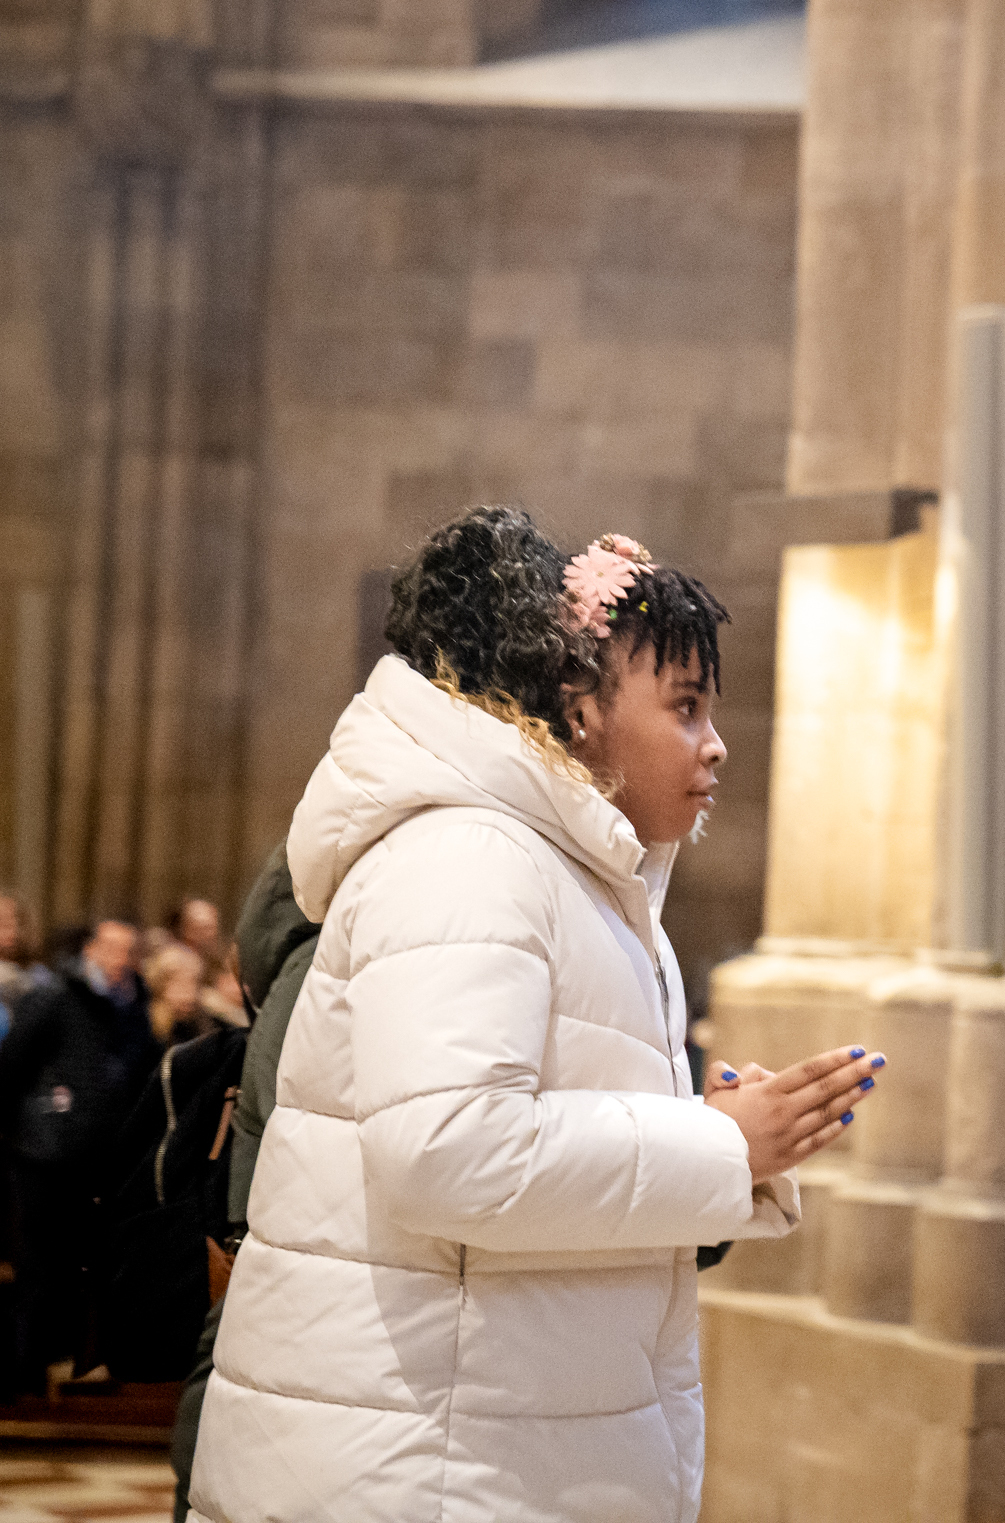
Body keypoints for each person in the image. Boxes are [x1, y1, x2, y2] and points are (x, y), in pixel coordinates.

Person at [188, 508, 882, 1523]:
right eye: (686, 707)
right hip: (420, 1471)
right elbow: (450, 1152)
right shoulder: (472, 855)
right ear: (580, 706)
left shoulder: (573, 877)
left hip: (485, 1448)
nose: (717, 745)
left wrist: (733, 1143)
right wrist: (715, 1142)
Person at [0, 915, 156, 1388]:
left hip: (98, 1157)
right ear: (90, 949)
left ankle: (60, 1365)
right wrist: (30, 1124)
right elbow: (11, 1066)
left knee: (76, 1266)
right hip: (43, 1152)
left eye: (128, 950)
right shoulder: (55, 996)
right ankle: (22, 1373)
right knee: (37, 1265)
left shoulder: (132, 1005)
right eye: (111, 948)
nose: (120, 959)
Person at [141, 942, 213, 1047]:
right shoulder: (143, 1022)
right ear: (160, 986)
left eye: (194, 984)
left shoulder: (203, 1023)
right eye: (180, 984)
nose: (190, 994)